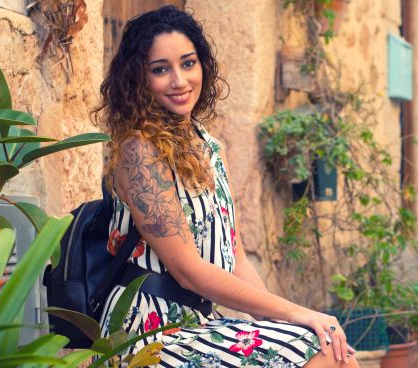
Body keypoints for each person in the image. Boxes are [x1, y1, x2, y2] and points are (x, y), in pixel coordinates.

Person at [93, 6, 357, 367]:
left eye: (188, 63)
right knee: (323, 351)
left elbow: (235, 258)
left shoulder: (210, 147)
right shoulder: (138, 152)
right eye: (160, 69)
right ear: (138, 79)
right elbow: (188, 271)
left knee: (331, 348)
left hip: (199, 323)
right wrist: (299, 314)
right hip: (148, 332)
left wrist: (281, 318)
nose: (179, 80)